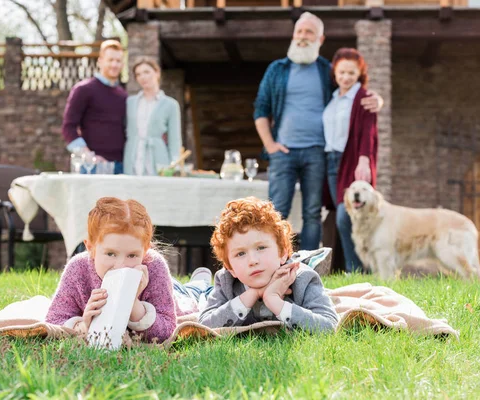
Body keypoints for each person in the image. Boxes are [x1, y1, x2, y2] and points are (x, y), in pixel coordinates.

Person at [253, 12, 382, 250]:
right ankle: (276, 261)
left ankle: (309, 265)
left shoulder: (327, 71)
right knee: (276, 210)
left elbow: (350, 92)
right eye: (299, 31)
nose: (303, 36)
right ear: (293, 35)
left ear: (320, 39)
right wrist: (270, 145)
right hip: (283, 152)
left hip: (317, 152)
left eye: (309, 32)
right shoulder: (276, 70)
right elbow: (260, 109)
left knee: (312, 212)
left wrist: (377, 99)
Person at [45, 197, 212, 343]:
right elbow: (54, 319)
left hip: (177, 294)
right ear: (91, 248)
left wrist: (134, 305)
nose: (121, 265)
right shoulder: (77, 269)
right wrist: (83, 324)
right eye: (111, 254)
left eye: (132, 255)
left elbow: (167, 330)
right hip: (169, 285)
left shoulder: (154, 266)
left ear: (145, 251)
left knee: (195, 292)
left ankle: (200, 282)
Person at [198, 197, 339, 333]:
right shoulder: (226, 281)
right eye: (240, 254)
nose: (253, 260)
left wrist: (273, 299)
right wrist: (252, 294)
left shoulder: (303, 278)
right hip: (206, 290)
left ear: (282, 252)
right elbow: (203, 327)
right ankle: (198, 283)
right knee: (198, 292)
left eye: (261, 248)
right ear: (231, 269)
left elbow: (330, 326)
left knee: (331, 296)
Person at [323, 48, 378, 273]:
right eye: (342, 72)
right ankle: (350, 269)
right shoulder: (333, 97)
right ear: (335, 72)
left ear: (360, 74)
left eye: (351, 73)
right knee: (340, 215)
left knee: (348, 217)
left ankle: (359, 269)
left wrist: (364, 160)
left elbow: (369, 131)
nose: (346, 77)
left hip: (352, 160)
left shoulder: (363, 97)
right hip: (331, 162)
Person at [61, 39, 127, 175]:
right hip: (92, 166)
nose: (114, 64)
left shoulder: (123, 96)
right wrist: (88, 155)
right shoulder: (83, 89)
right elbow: (68, 127)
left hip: (120, 166)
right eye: (110, 60)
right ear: (100, 61)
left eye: (118, 61)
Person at [123, 57, 182, 176]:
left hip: (159, 157)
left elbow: (174, 140)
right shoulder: (130, 102)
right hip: (132, 155)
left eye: (146, 72)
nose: (143, 77)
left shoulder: (171, 105)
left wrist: (174, 165)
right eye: (138, 74)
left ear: (157, 72)